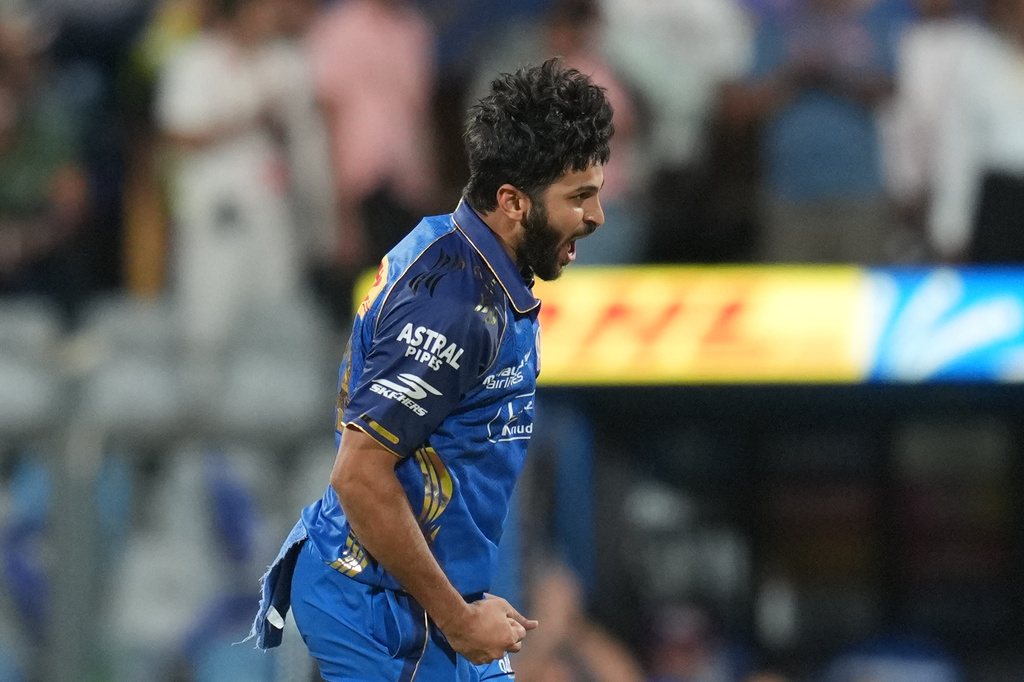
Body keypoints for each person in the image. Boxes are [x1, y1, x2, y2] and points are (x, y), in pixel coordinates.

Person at [249, 58, 614, 681]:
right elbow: (360, 476)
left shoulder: (472, 262)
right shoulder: (454, 307)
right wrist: (457, 616)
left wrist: (463, 597)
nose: (596, 215)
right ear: (512, 203)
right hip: (378, 612)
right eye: (578, 197)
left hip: (422, 600)